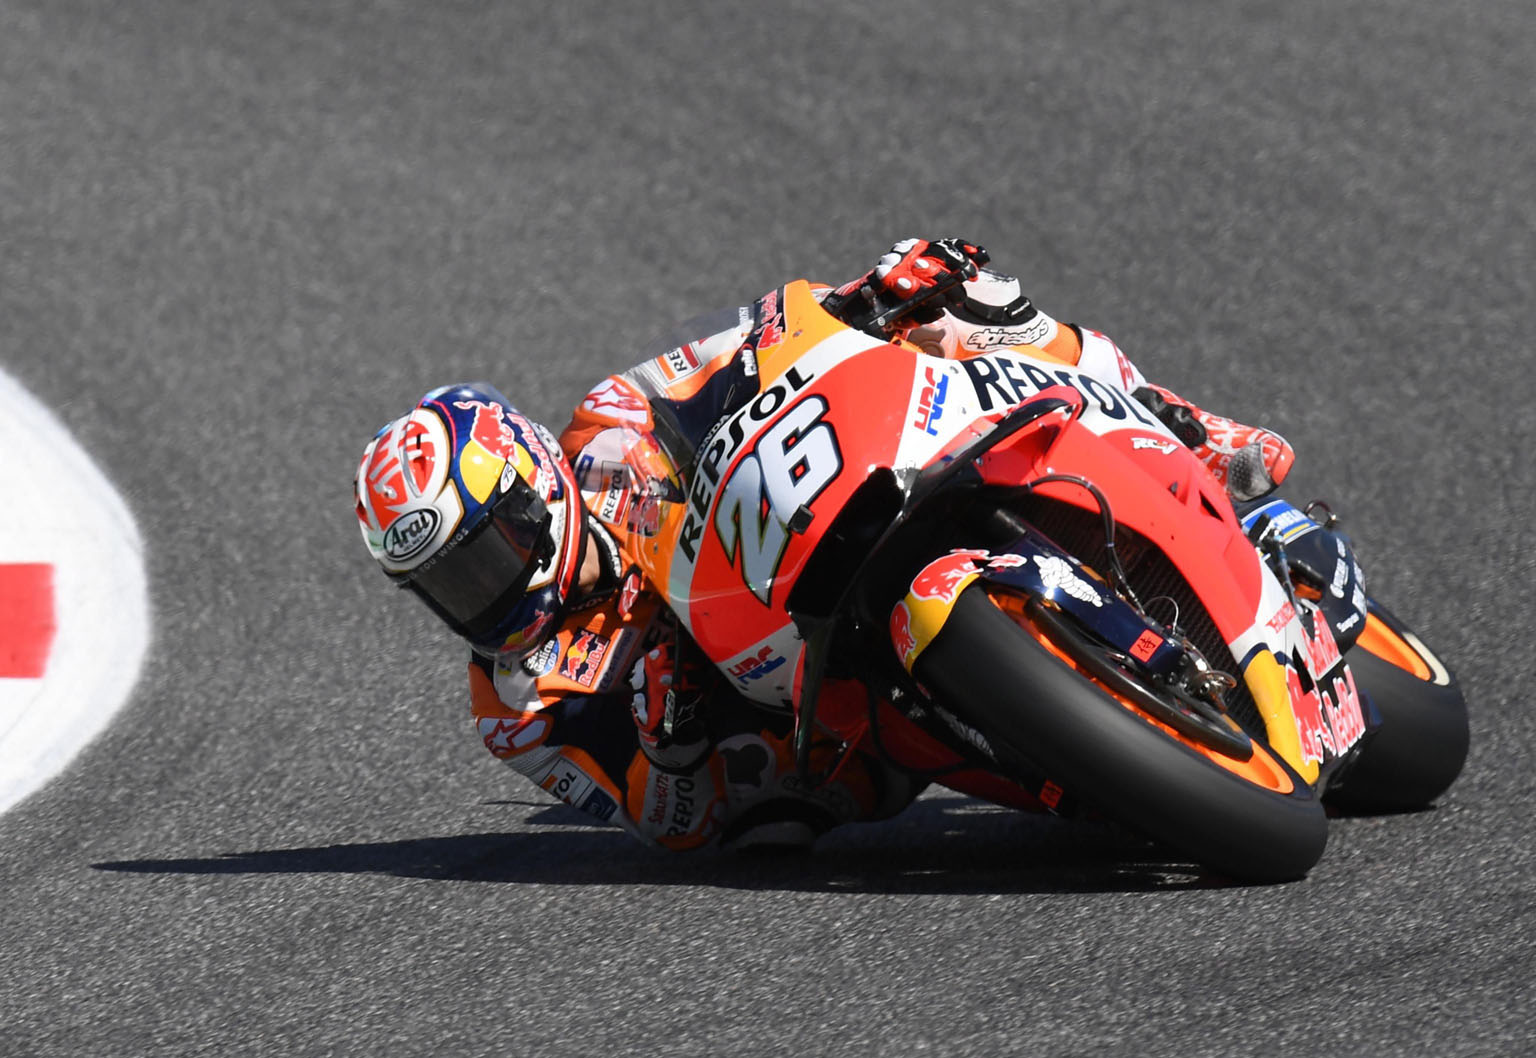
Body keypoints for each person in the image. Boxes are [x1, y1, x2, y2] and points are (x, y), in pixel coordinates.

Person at [352, 237, 1296, 851]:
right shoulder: (518, 705)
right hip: (824, 729)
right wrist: (674, 747)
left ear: (529, 480)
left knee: (968, 310)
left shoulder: (610, 426)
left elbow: (757, 339)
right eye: (447, 584)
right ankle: (1097, 753)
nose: (482, 591)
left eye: (485, 552)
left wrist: (872, 296)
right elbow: (679, 829)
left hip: (824, 522)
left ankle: (1185, 429)